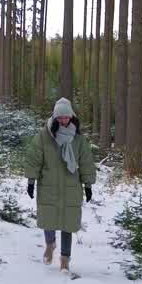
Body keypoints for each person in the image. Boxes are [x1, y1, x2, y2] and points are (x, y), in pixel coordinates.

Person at [25, 98, 96, 273]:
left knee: (68, 224)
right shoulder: (43, 136)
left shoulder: (78, 139)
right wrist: (31, 181)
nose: (63, 120)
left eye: (66, 117)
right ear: (55, 117)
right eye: (60, 117)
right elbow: (34, 159)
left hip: (71, 186)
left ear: (71, 116)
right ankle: (50, 245)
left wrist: (88, 184)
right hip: (48, 184)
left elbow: (86, 161)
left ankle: (65, 260)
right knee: (48, 218)